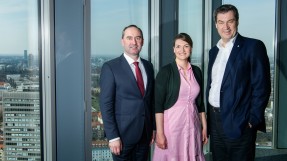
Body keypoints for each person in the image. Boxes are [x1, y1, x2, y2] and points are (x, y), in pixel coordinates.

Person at [206, 4, 271, 161]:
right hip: (215, 122)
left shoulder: (253, 46)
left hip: (240, 122)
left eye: (230, 21)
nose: (226, 27)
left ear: (237, 22)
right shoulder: (214, 51)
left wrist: (252, 120)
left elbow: (261, 86)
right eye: (221, 22)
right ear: (216, 24)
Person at [100, 24, 155, 161]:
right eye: (129, 38)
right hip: (122, 137)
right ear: (122, 41)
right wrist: (113, 137)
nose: (134, 42)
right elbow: (106, 104)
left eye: (138, 38)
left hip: (144, 134)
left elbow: (150, 101)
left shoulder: (148, 66)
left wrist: (153, 128)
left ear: (142, 41)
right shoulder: (110, 67)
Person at [153, 33, 208, 161]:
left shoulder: (197, 71)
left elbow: (200, 103)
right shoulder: (165, 72)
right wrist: (160, 133)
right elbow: (158, 106)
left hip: (193, 126)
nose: (182, 50)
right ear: (173, 49)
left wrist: (204, 127)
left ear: (191, 48)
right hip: (172, 128)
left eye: (186, 46)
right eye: (178, 46)